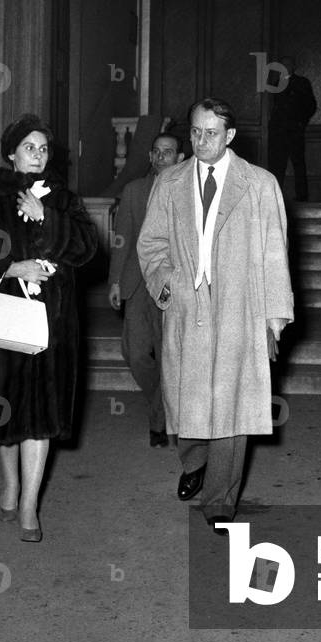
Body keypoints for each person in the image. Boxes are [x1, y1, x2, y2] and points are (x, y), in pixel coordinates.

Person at [137, 97, 293, 529]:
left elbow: (275, 255)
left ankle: (221, 499)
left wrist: (273, 320)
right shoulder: (169, 182)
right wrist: (167, 283)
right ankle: (195, 461)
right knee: (182, 398)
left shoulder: (259, 184)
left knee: (233, 406)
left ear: (230, 136)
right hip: (186, 306)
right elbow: (150, 245)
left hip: (240, 306)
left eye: (211, 134)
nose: (201, 141)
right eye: (195, 132)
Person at [0, 114, 98, 543]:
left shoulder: (63, 200)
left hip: (53, 324)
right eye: (29, 148)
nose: (37, 155)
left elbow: (88, 249)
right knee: (6, 411)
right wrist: (12, 266)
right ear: (12, 153)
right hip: (5, 317)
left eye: (43, 148)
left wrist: (47, 218)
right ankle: (11, 485)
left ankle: (30, 505)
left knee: (41, 415)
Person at [108, 132, 185, 447]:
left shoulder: (191, 193)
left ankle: (159, 420)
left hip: (175, 285)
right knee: (136, 352)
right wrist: (115, 280)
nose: (161, 157)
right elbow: (121, 238)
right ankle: (165, 406)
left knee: (170, 355)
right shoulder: (134, 191)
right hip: (138, 282)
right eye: (156, 152)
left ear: (180, 158)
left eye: (168, 152)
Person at [267, 56, 317, 201]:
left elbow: (311, 106)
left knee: (298, 164)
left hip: (295, 131)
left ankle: (302, 196)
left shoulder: (302, 83)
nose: (286, 67)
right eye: (283, 64)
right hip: (279, 132)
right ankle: (275, 196)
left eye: (288, 64)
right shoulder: (276, 83)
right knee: (277, 165)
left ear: (293, 67)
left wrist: (301, 122)